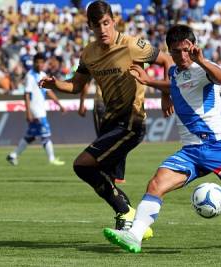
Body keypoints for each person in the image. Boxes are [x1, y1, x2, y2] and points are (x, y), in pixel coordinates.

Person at [103, 25, 221, 253]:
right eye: (176, 51)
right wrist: (150, 82)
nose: (182, 56)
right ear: (170, 51)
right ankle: (134, 236)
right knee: (156, 184)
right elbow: (175, 85)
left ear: (194, 47)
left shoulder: (204, 69)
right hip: (191, 152)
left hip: (219, 148)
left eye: (186, 50)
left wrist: (202, 60)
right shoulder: (175, 72)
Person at [39, 0, 173, 239]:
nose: (103, 29)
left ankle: (126, 212)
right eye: (97, 25)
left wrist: (165, 95)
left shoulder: (132, 45)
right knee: (103, 176)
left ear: (114, 22)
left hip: (132, 122)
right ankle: (130, 223)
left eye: (106, 23)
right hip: (109, 122)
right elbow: (76, 84)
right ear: (90, 26)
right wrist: (55, 84)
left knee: (82, 164)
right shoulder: (88, 53)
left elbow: (166, 61)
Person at [7, 53, 66, 166]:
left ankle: (13, 155)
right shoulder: (30, 76)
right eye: (37, 62)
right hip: (36, 111)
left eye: (42, 62)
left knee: (31, 136)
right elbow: (27, 94)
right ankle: (52, 159)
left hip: (40, 110)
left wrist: (60, 105)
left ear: (44, 63)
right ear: (34, 63)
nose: (39, 64)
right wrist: (28, 112)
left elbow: (49, 91)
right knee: (46, 134)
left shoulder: (43, 75)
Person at [78, 83, 126, 184]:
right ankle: (118, 175)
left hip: (103, 104)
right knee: (121, 138)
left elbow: (85, 83)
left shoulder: (96, 66)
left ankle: (110, 174)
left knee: (104, 141)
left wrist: (81, 104)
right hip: (120, 103)